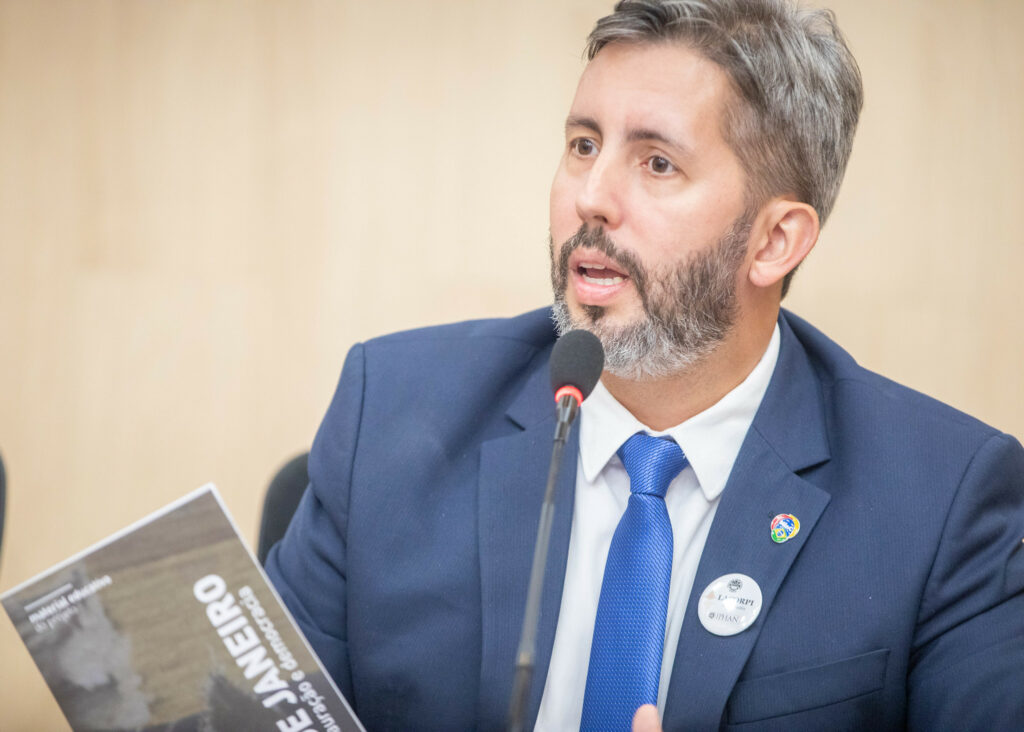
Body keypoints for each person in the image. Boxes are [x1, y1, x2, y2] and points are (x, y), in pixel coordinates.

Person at [266, 1, 1024, 729]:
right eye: (583, 145)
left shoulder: (940, 503)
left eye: (657, 163)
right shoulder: (395, 414)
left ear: (775, 241)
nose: (591, 199)